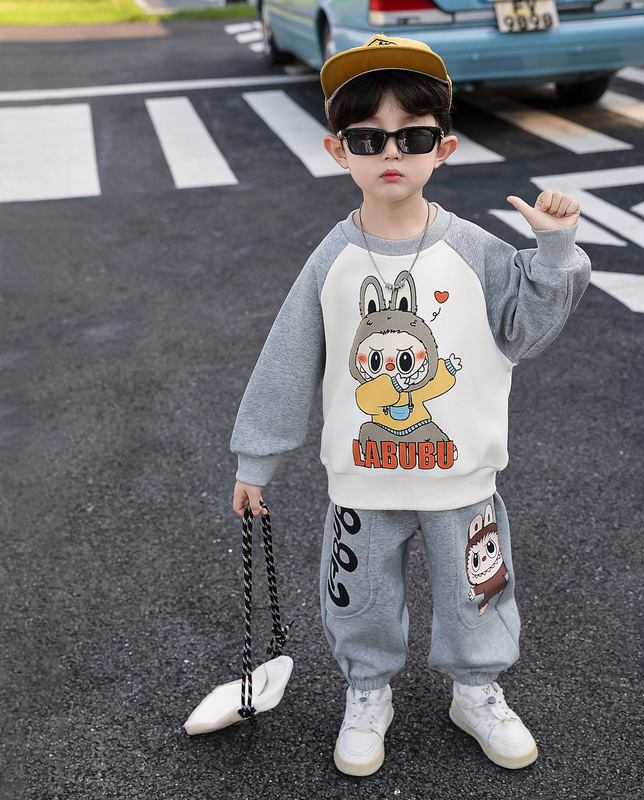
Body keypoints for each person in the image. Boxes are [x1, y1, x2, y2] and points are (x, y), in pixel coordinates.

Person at [230, 34, 591, 777]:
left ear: (443, 149)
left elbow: (525, 332)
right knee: (360, 599)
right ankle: (368, 692)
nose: (390, 150)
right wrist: (256, 459)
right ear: (338, 151)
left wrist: (555, 251)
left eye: (413, 136)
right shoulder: (332, 260)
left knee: (475, 595)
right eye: (368, 137)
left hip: (463, 480)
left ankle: (476, 690)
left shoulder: (478, 252)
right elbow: (288, 359)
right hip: (362, 481)